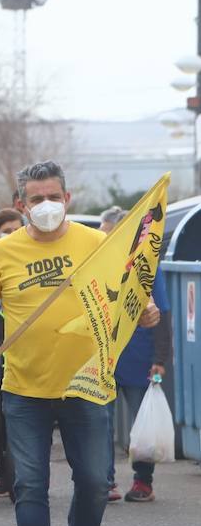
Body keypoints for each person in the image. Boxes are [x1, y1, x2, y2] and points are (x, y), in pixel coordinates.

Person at [0, 161, 158, 526]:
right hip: (24, 389)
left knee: (94, 482)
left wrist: (145, 308)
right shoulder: (3, 252)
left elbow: (131, 294)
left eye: (53, 196)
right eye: (36, 199)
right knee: (30, 485)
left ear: (68, 199)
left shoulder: (97, 245)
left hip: (87, 387)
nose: (46, 205)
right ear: (21, 205)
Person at [99, 205, 172, 504]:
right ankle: (104, 482)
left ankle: (143, 482)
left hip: (139, 356)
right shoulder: (98, 264)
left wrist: (160, 360)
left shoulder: (147, 265)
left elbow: (163, 313)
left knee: (141, 422)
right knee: (99, 422)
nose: (101, 238)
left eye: (106, 233)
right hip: (102, 357)